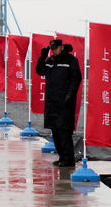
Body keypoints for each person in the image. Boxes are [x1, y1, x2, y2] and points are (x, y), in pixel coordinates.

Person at [35, 39, 82, 167]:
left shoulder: (70, 60)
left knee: (64, 131)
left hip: (65, 103)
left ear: (61, 47)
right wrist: (43, 56)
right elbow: (40, 71)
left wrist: (70, 95)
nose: (54, 51)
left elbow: (77, 78)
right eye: (52, 49)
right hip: (52, 103)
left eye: (56, 48)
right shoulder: (50, 61)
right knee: (55, 131)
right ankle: (62, 157)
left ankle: (69, 158)